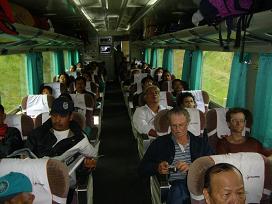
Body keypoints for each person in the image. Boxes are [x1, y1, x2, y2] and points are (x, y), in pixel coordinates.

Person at [25, 97, 98, 204]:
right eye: (54, 116)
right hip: (35, 182)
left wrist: (87, 166)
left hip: (63, 184)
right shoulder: (37, 134)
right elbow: (27, 155)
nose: (57, 120)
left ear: (71, 117)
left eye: (63, 116)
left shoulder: (80, 139)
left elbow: (88, 163)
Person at [138, 107, 214, 204]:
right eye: (174, 126)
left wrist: (193, 168)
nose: (178, 129)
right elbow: (142, 169)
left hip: (199, 184)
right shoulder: (159, 144)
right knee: (179, 188)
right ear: (169, 125)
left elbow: (214, 165)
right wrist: (157, 167)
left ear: (188, 123)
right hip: (175, 186)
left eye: (181, 125)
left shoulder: (201, 144)